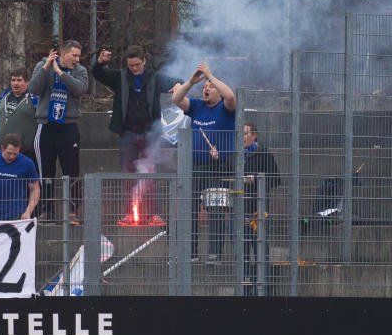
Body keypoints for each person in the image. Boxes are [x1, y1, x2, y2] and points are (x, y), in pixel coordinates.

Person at [92, 45, 180, 227]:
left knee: (152, 173)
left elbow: (176, 82)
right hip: (128, 133)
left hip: (150, 133)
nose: (134, 68)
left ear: (144, 61)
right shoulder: (120, 77)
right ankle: (128, 213)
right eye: (131, 65)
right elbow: (98, 74)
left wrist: (178, 85)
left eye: (137, 64)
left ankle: (154, 214)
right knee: (127, 174)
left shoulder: (154, 78)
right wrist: (100, 63)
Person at [171, 62, 236, 261]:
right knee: (190, 208)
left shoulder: (225, 108)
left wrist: (211, 75)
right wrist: (191, 81)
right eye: (205, 86)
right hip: (195, 166)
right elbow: (176, 98)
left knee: (216, 210)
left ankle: (214, 253)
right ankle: (191, 253)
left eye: (211, 87)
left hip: (219, 167)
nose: (206, 89)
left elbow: (231, 97)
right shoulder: (197, 106)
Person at [29, 40, 89, 224]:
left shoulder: (80, 70)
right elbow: (33, 88)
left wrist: (60, 73)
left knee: (71, 170)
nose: (77, 59)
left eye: (79, 56)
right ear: (63, 53)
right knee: (45, 171)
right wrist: (47, 67)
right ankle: (46, 209)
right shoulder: (43, 66)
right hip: (46, 125)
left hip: (68, 125)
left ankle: (72, 210)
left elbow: (80, 89)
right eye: (74, 55)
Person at [242, 122, 281, 294]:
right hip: (239, 210)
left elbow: (276, 179)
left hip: (258, 210)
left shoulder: (264, 153)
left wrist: (257, 179)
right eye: (240, 134)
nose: (242, 137)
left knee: (260, 250)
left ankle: (263, 288)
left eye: (245, 133)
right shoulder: (234, 154)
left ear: (254, 135)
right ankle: (244, 289)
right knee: (241, 252)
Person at [0, 68, 39, 170]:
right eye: (13, 80)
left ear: (27, 82)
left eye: (19, 80)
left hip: (24, 153)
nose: (15, 83)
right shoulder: (4, 96)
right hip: (1, 151)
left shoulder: (34, 99)